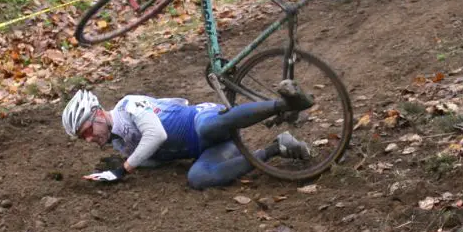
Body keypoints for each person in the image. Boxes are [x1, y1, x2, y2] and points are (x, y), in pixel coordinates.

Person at [61, 83, 314, 190]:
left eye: (86, 132)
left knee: (205, 128)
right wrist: (117, 166)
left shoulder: (128, 105)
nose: (89, 139)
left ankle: (284, 104)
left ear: (96, 115)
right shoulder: (120, 143)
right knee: (197, 178)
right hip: (209, 148)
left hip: (203, 119)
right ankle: (276, 148)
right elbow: (158, 160)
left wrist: (124, 169)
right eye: (83, 138)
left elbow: (156, 135)